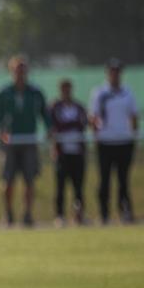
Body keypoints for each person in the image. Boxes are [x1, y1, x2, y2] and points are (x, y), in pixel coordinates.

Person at [0, 56, 50, 227]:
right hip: (9, 143)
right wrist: (1, 132)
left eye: (23, 70)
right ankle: (8, 213)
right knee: (7, 180)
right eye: (17, 70)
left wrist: (49, 129)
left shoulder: (35, 93)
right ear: (12, 71)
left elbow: (45, 114)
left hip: (29, 141)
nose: (20, 74)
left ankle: (28, 214)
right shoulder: (3, 92)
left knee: (29, 180)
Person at [89, 58, 139, 224]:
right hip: (105, 143)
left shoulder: (128, 92)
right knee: (104, 180)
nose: (115, 74)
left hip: (124, 142)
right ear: (108, 73)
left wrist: (132, 136)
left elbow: (134, 116)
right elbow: (93, 117)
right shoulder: (99, 93)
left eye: (117, 71)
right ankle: (104, 214)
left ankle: (125, 211)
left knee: (123, 180)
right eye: (112, 71)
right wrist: (97, 136)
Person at [48, 79, 89, 226]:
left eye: (68, 88)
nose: (66, 91)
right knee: (60, 186)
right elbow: (54, 127)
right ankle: (60, 215)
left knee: (78, 186)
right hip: (62, 153)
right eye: (63, 88)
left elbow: (83, 124)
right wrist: (70, 126)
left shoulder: (79, 107)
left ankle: (79, 215)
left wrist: (67, 126)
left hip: (77, 152)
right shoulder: (55, 107)